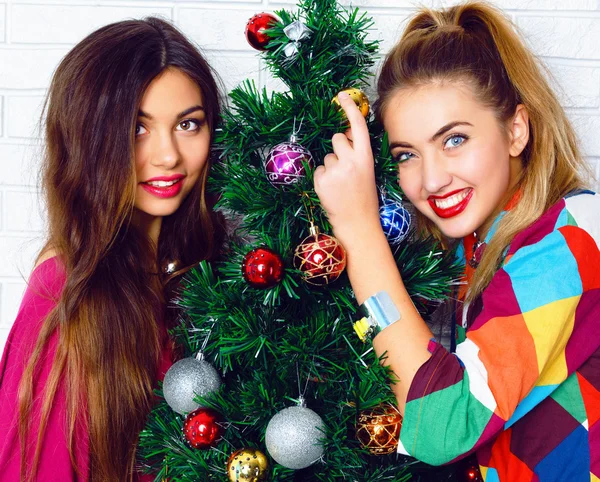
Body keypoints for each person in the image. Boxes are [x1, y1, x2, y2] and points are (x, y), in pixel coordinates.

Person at [315, 2, 599, 481]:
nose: (432, 180)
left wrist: (359, 228)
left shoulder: (571, 239)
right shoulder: (476, 246)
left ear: (515, 130)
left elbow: (444, 428)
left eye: (454, 140)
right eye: (407, 154)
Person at [0, 17, 223, 481]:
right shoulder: (69, 290)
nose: (167, 155)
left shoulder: (200, 272)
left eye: (187, 124)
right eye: (137, 129)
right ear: (90, 139)